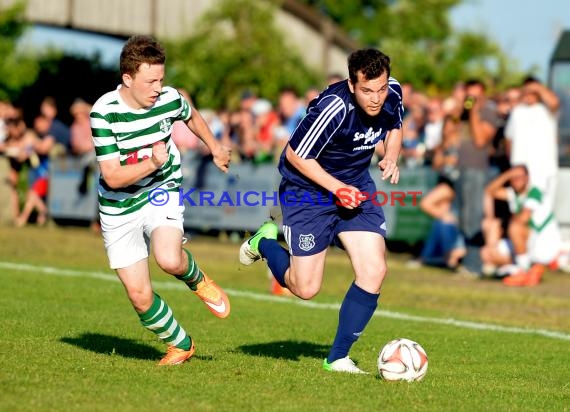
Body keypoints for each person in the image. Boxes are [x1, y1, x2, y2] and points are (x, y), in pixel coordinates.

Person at [239, 48, 403, 374]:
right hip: (308, 192)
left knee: (374, 270)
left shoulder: (392, 92)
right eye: (367, 91)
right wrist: (336, 189)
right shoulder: (334, 107)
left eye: (380, 89)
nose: (375, 98)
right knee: (305, 288)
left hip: (356, 187)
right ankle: (264, 242)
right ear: (352, 84)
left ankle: (337, 357)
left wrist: (391, 156)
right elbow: (296, 155)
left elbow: (395, 125)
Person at [90, 35, 232, 366]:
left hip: (161, 189)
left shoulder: (168, 99)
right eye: (150, 81)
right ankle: (180, 344)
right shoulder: (104, 113)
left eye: (161, 79)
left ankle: (197, 279)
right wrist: (151, 161)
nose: (158, 87)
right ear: (127, 78)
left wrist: (214, 146)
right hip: (118, 205)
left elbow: (190, 113)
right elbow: (111, 176)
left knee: (169, 259)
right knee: (139, 296)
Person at [484, 165, 562, 286]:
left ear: (527, 178)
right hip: (530, 242)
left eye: (520, 177)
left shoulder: (534, 192)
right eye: (513, 177)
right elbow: (490, 191)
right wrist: (506, 175)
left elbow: (523, 218)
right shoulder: (513, 194)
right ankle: (525, 270)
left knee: (514, 227)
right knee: (488, 253)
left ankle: (524, 271)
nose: (516, 180)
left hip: (544, 242)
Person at [504, 76, 560, 210]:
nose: (529, 94)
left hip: (544, 170)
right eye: (526, 91)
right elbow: (508, 139)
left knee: (542, 209)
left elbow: (554, 103)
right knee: (521, 210)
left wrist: (537, 87)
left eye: (532, 91)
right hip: (522, 172)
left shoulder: (547, 110)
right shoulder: (517, 111)